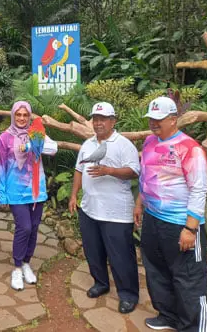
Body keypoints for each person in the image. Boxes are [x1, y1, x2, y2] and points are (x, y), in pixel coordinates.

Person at [134, 97, 207, 331]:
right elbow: (145, 177)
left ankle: (195, 327)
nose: (153, 123)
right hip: (153, 219)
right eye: (151, 118)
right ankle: (168, 315)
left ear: (173, 119)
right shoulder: (149, 142)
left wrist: (190, 228)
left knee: (189, 280)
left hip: (180, 224)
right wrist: (139, 204)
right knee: (157, 271)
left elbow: (199, 189)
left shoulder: (190, 148)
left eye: (159, 119)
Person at [67, 102, 141, 314]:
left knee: (121, 255)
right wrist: (74, 195)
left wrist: (109, 170)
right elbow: (79, 170)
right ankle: (101, 283)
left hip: (116, 212)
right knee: (93, 251)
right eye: (95, 119)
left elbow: (134, 171)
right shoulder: (88, 144)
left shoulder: (123, 144)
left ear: (113, 121)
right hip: (89, 209)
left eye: (103, 119)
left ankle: (128, 294)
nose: (98, 123)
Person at [0, 101, 57, 291]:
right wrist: (2, 194)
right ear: (13, 115)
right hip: (15, 190)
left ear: (29, 116)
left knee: (34, 227)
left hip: (36, 190)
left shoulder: (36, 132)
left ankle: (26, 263)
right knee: (24, 227)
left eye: (25, 115)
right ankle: (16, 267)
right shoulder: (5, 137)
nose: (22, 118)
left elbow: (52, 149)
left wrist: (32, 144)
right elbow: (0, 166)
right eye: (18, 115)